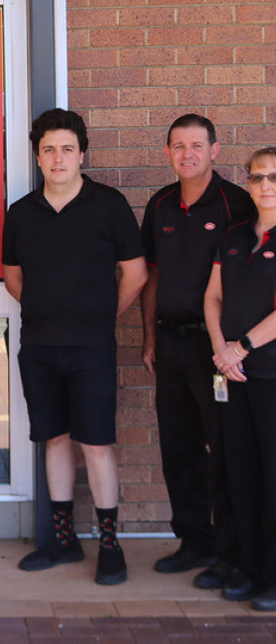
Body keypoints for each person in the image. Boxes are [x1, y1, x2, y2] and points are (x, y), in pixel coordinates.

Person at [2, 108, 147, 585]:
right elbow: (13, 277)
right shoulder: (21, 213)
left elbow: (136, 273)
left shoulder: (109, 204)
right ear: (38, 157)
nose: (57, 158)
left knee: (97, 444)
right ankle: (63, 540)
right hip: (40, 347)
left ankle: (110, 545)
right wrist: (49, 309)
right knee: (56, 439)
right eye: (48, 150)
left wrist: (101, 317)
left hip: (92, 349)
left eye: (67, 149)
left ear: (81, 153)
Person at [141, 114, 253, 587]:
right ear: (167, 152)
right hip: (169, 345)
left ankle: (231, 553)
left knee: (224, 450)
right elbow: (151, 278)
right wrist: (149, 338)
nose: (187, 154)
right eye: (178, 146)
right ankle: (194, 542)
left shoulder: (237, 204)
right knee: (179, 448)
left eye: (196, 145)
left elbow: (246, 284)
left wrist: (235, 349)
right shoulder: (161, 204)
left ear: (215, 150)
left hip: (217, 353)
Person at [204, 147, 276, 611]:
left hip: (269, 373)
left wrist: (241, 347)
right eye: (257, 178)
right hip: (232, 374)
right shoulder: (233, 235)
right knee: (243, 475)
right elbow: (212, 297)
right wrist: (220, 352)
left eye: (274, 176)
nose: (266, 185)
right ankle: (252, 571)